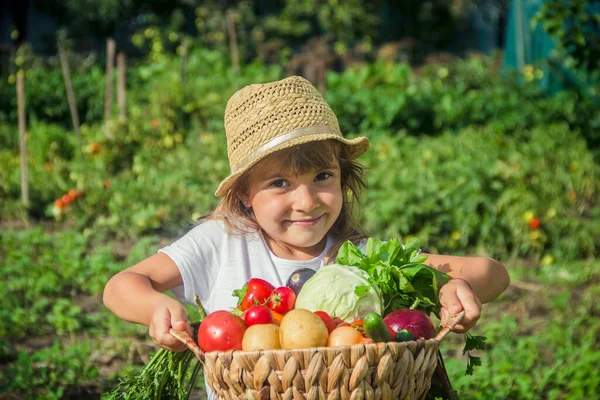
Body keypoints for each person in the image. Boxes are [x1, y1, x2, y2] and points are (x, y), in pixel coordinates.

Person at [103, 75, 510, 356]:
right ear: (245, 192)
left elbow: (493, 273)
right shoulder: (220, 243)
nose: (306, 200)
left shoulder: (363, 260)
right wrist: (155, 308)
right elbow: (121, 286)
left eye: (322, 176)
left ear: (343, 177)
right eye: (279, 183)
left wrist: (450, 287)